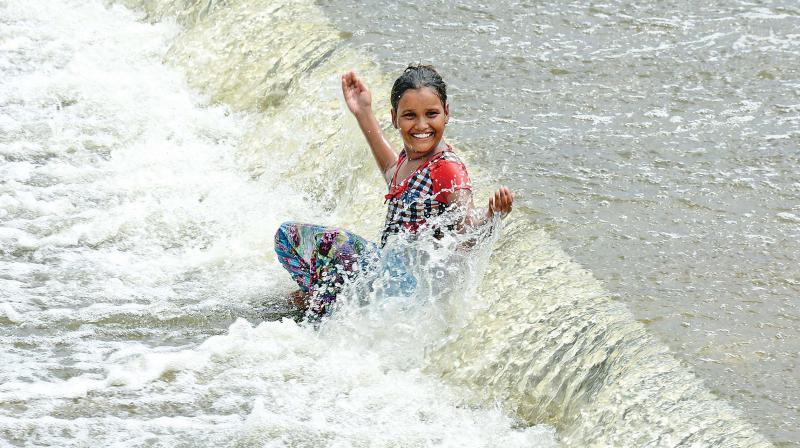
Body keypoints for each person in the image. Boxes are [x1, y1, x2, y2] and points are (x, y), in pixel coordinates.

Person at [274, 64, 514, 316]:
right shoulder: (410, 158)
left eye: (431, 114)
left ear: (446, 113)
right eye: (410, 115)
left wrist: (491, 214)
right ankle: (322, 305)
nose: (422, 125)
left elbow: (466, 227)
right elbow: (393, 173)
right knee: (288, 239)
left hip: (406, 286)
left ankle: (324, 312)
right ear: (394, 118)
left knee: (300, 259)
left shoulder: (446, 168)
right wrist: (363, 111)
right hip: (386, 268)